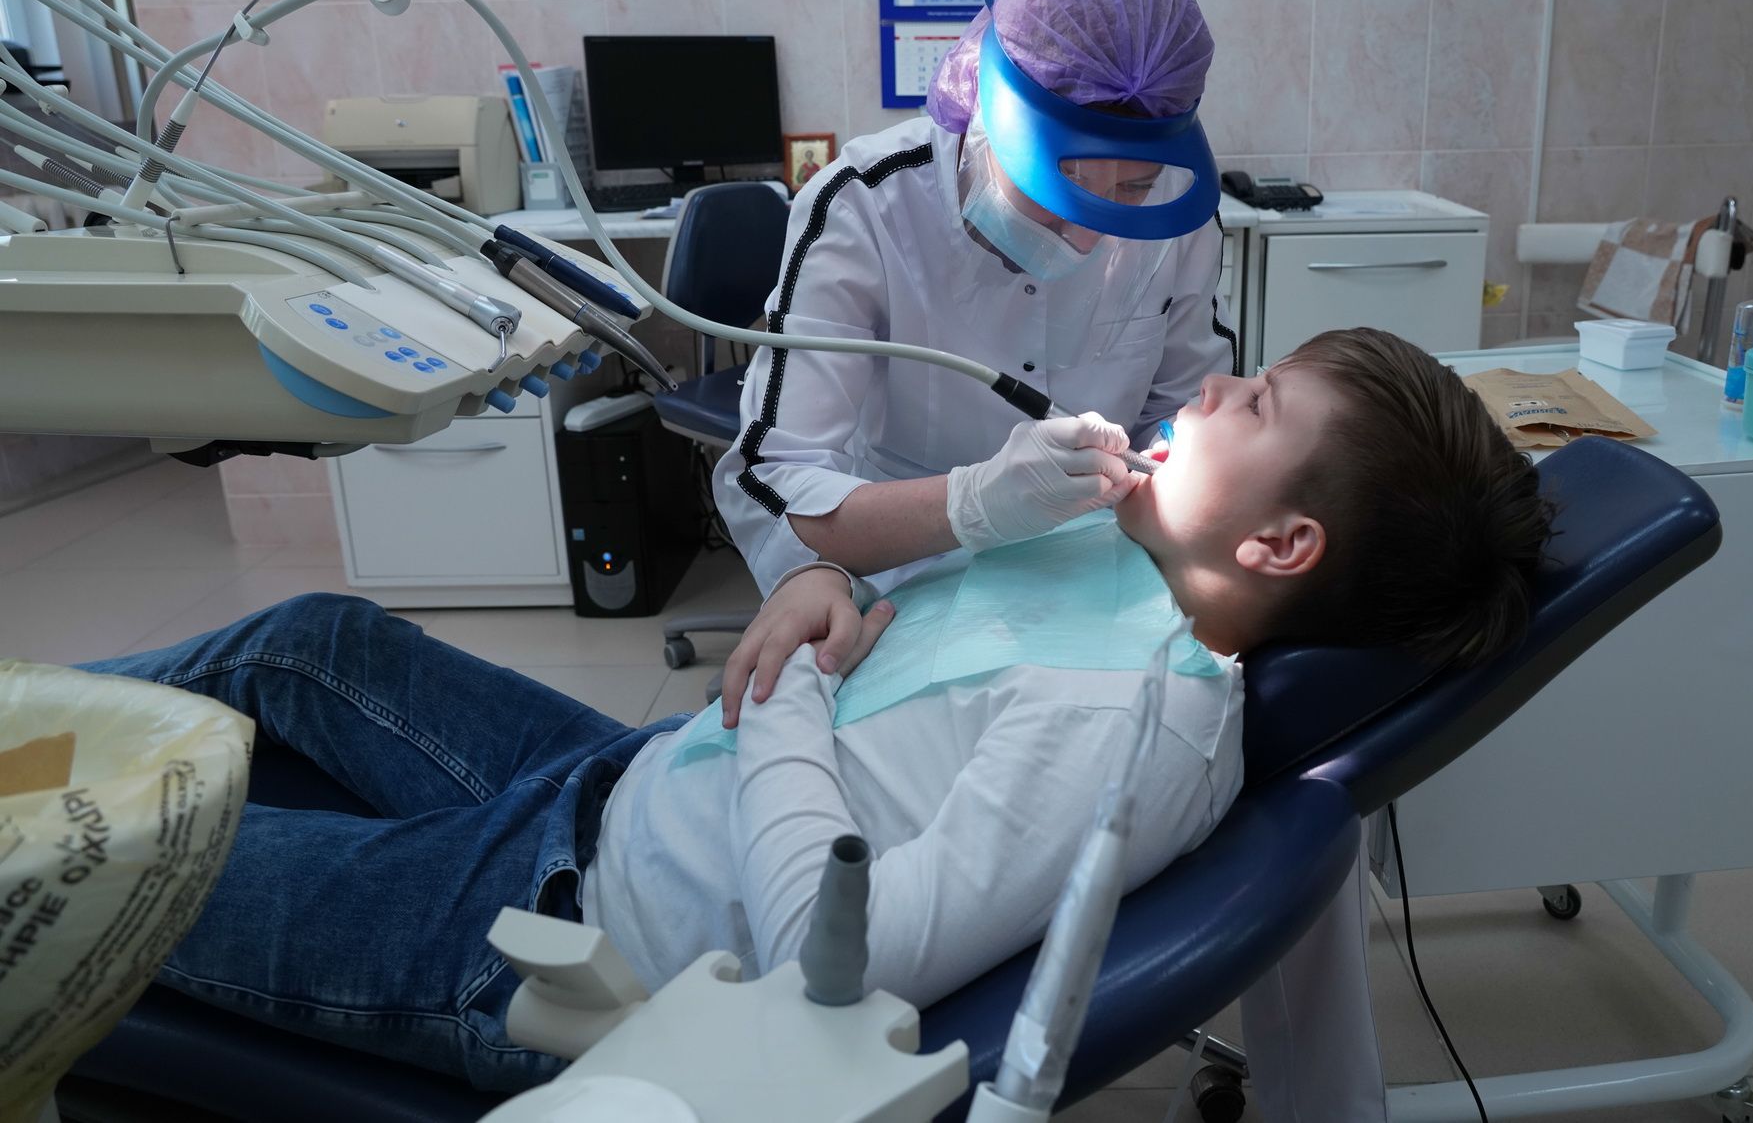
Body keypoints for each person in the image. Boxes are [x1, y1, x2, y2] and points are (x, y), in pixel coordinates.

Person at [64, 329, 1551, 1108]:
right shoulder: (1112, 555)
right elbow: (870, 615)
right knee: (313, 641)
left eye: (1257, 402)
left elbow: (827, 957)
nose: (1213, 382)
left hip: (588, 935)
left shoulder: (1126, 731)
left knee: (88, 867)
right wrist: (899, 544)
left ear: (1281, 544)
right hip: (632, 781)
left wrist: (792, 681)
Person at [712, 0, 1241, 704]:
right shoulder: (865, 205)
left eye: (1131, 187)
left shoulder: (1178, 221)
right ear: (989, 113)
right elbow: (774, 476)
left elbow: (1188, 417)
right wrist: (964, 508)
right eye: (1060, 182)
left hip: (1099, 582)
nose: (1089, 232)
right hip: (903, 584)